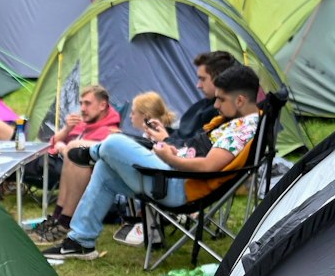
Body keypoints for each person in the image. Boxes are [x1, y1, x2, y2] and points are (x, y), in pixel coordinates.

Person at [37, 62, 265, 260]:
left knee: (114, 142)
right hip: (173, 174)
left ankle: (93, 152)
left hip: (177, 184)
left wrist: (170, 158)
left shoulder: (243, 129)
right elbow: (203, 156)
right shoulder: (239, 121)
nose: (215, 105)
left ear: (240, 100)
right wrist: (172, 148)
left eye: (221, 99)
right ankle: (81, 242)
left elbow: (208, 167)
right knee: (105, 170)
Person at [28, 85, 121, 241]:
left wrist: (64, 149)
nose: (82, 108)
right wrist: (67, 128)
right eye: (81, 103)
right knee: (68, 157)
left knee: (72, 156)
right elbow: (51, 142)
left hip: (89, 178)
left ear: (102, 105)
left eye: (87, 103)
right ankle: (58, 217)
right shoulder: (87, 123)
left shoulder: (108, 131)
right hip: (64, 165)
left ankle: (64, 221)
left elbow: (84, 154)